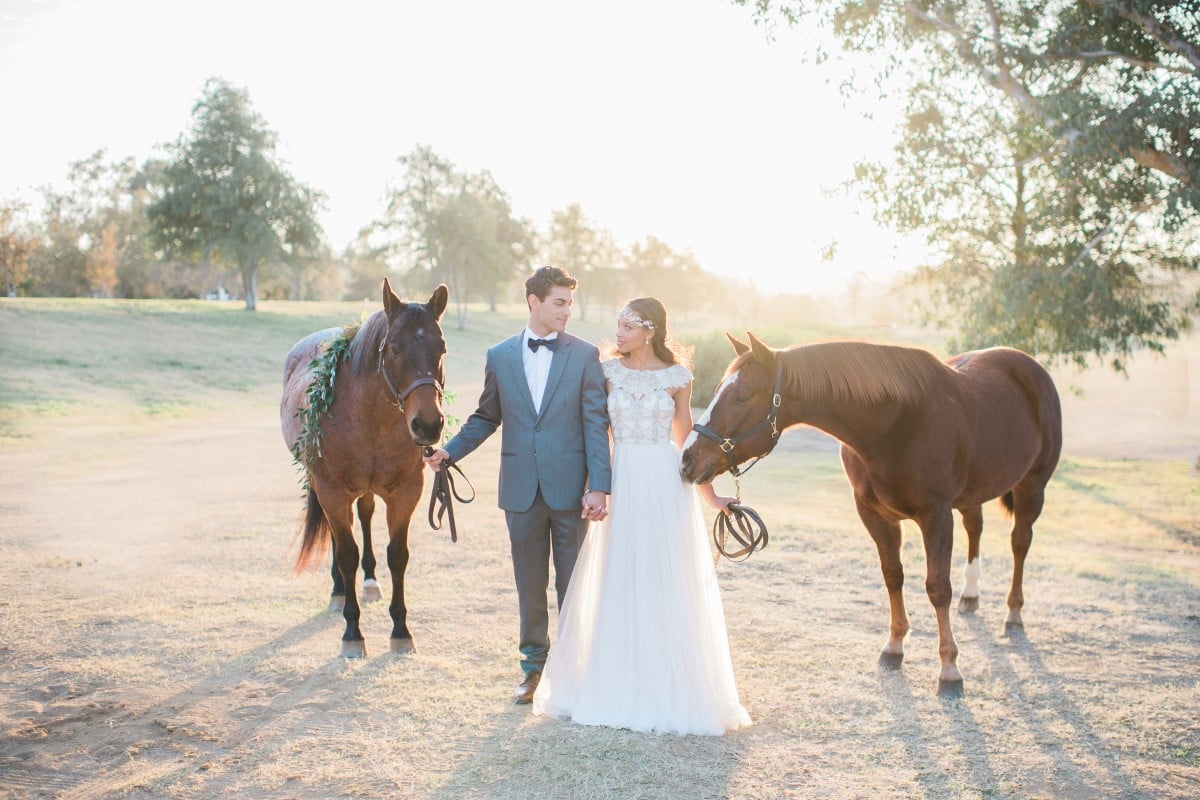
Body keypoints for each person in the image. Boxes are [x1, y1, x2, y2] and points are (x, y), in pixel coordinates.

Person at [532, 297, 752, 735]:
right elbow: (594, 431)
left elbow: (687, 438)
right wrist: (595, 484)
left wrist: (709, 496)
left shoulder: (678, 378)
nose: (619, 333)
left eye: (628, 325)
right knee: (620, 574)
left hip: (666, 482)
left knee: (666, 576)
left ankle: (669, 681)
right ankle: (615, 679)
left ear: (649, 330)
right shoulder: (606, 372)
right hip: (623, 477)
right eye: (618, 324)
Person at [424, 266, 612, 704]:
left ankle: (574, 670)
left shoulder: (585, 356)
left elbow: (595, 423)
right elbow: (487, 417)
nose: (568, 311)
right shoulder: (501, 355)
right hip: (520, 491)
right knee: (529, 584)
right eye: (559, 302)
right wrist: (450, 451)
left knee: (573, 584)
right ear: (534, 301)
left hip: (573, 493)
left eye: (570, 303)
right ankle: (532, 669)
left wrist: (599, 485)